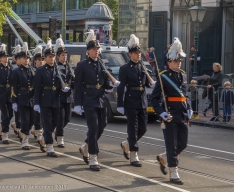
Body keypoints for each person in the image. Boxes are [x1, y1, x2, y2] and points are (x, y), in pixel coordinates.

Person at [74, 30, 118, 171]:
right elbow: (78, 85)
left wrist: (110, 85)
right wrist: (77, 104)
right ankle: (93, 157)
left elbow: (104, 82)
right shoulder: (82, 65)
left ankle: (86, 146)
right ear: (88, 51)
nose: (96, 51)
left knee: (102, 125)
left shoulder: (101, 64)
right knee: (93, 128)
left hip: (100, 99)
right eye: (94, 49)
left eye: (98, 49)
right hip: (88, 99)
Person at [151, 37, 192, 185]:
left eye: (179, 60)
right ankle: (173, 171)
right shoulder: (163, 77)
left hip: (182, 113)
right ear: (169, 62)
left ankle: (164, 157)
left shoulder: (183, 75)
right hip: (169, 114)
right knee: (172, 144)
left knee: (183, 144)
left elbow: (186, 96)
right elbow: (155, 99)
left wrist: (190, 108)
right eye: (176, 61)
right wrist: (160, 112)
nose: (178, 63)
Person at [117, 34, 156, 167]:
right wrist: (120, 104)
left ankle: (127, 143)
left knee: (143, 128)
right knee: (132, 128)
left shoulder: (143, 67)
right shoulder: (125, 68)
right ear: (130, 54)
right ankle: (134, 154)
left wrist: (151, 84)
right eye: (135, 53)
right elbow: (121, 87)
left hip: (142, 100)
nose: (138, 55)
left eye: (139, 52)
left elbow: (146, 83)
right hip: (131, 100)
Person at [33, 39, 70, 157]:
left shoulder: (57, 69)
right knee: (48, 124)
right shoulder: (40, 70)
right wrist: (36, 102)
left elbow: (59, 82)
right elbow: (37, 87)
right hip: (45, 100)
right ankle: (49, 147)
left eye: (53, 56)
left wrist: (62, 88)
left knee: (55, 122)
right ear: (45, 58)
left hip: (56, 99)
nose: (52, 58)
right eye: (49, 57)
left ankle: (45, 138)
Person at [11, 42, 36, 150]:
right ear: (20, 59)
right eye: (24, 58)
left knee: (31, 120)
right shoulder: (17, 71)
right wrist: (14, 101)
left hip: (31, 98)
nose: (26, 60)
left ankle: (23, 132)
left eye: (27, 58)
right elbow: (13, 87)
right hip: (22, 97)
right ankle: (25, 141)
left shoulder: (32, 70)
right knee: (25, 119)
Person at [53, 38, 74, 148]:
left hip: (68, 95)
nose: (64, 57)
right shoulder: (55, 67)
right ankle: (60, 137)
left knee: (68, 118)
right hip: (59, 96)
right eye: (62, 55)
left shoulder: (69, 66)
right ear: (58, 56)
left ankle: (57, 129)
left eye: (65, 55)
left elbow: (72, 80)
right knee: (61, 117)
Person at [30, 45, 46, 151]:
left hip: (44, 97)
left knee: (41, 118)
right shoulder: (32, 71)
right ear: (35, 61)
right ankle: (39, 134)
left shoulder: (45, 70)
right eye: (39, 60)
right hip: (33, 97)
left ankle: (38, 133)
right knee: (35, 117)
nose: (41, 62)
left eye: (42, 60)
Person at [10, 47, 22, 137]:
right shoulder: (13, 68)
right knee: (17, 114)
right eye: (17, 59)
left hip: (24, 94)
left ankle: (18, 126)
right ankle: (18, 129)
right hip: (13, 93)